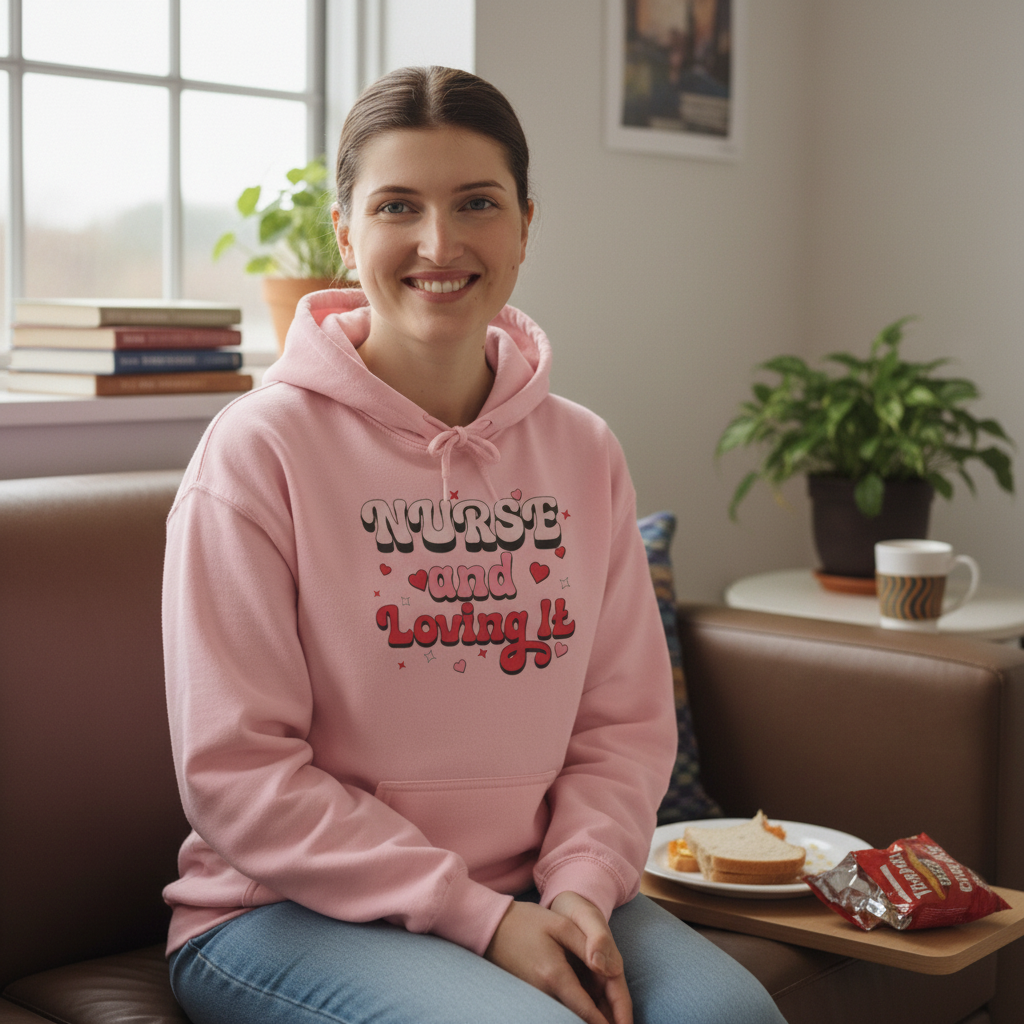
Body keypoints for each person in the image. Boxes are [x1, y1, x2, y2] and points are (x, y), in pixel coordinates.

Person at [163, 65, 786, 1024]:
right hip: (281, 908)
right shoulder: (258, 452)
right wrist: (480, 917)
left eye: (477, 203)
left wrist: (578, 889)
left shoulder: (583, 450)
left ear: (526, 227)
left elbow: (620, 727)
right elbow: (237, 773)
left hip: (540, 884)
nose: (438, 243)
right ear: (345, 232)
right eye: (398, 205)